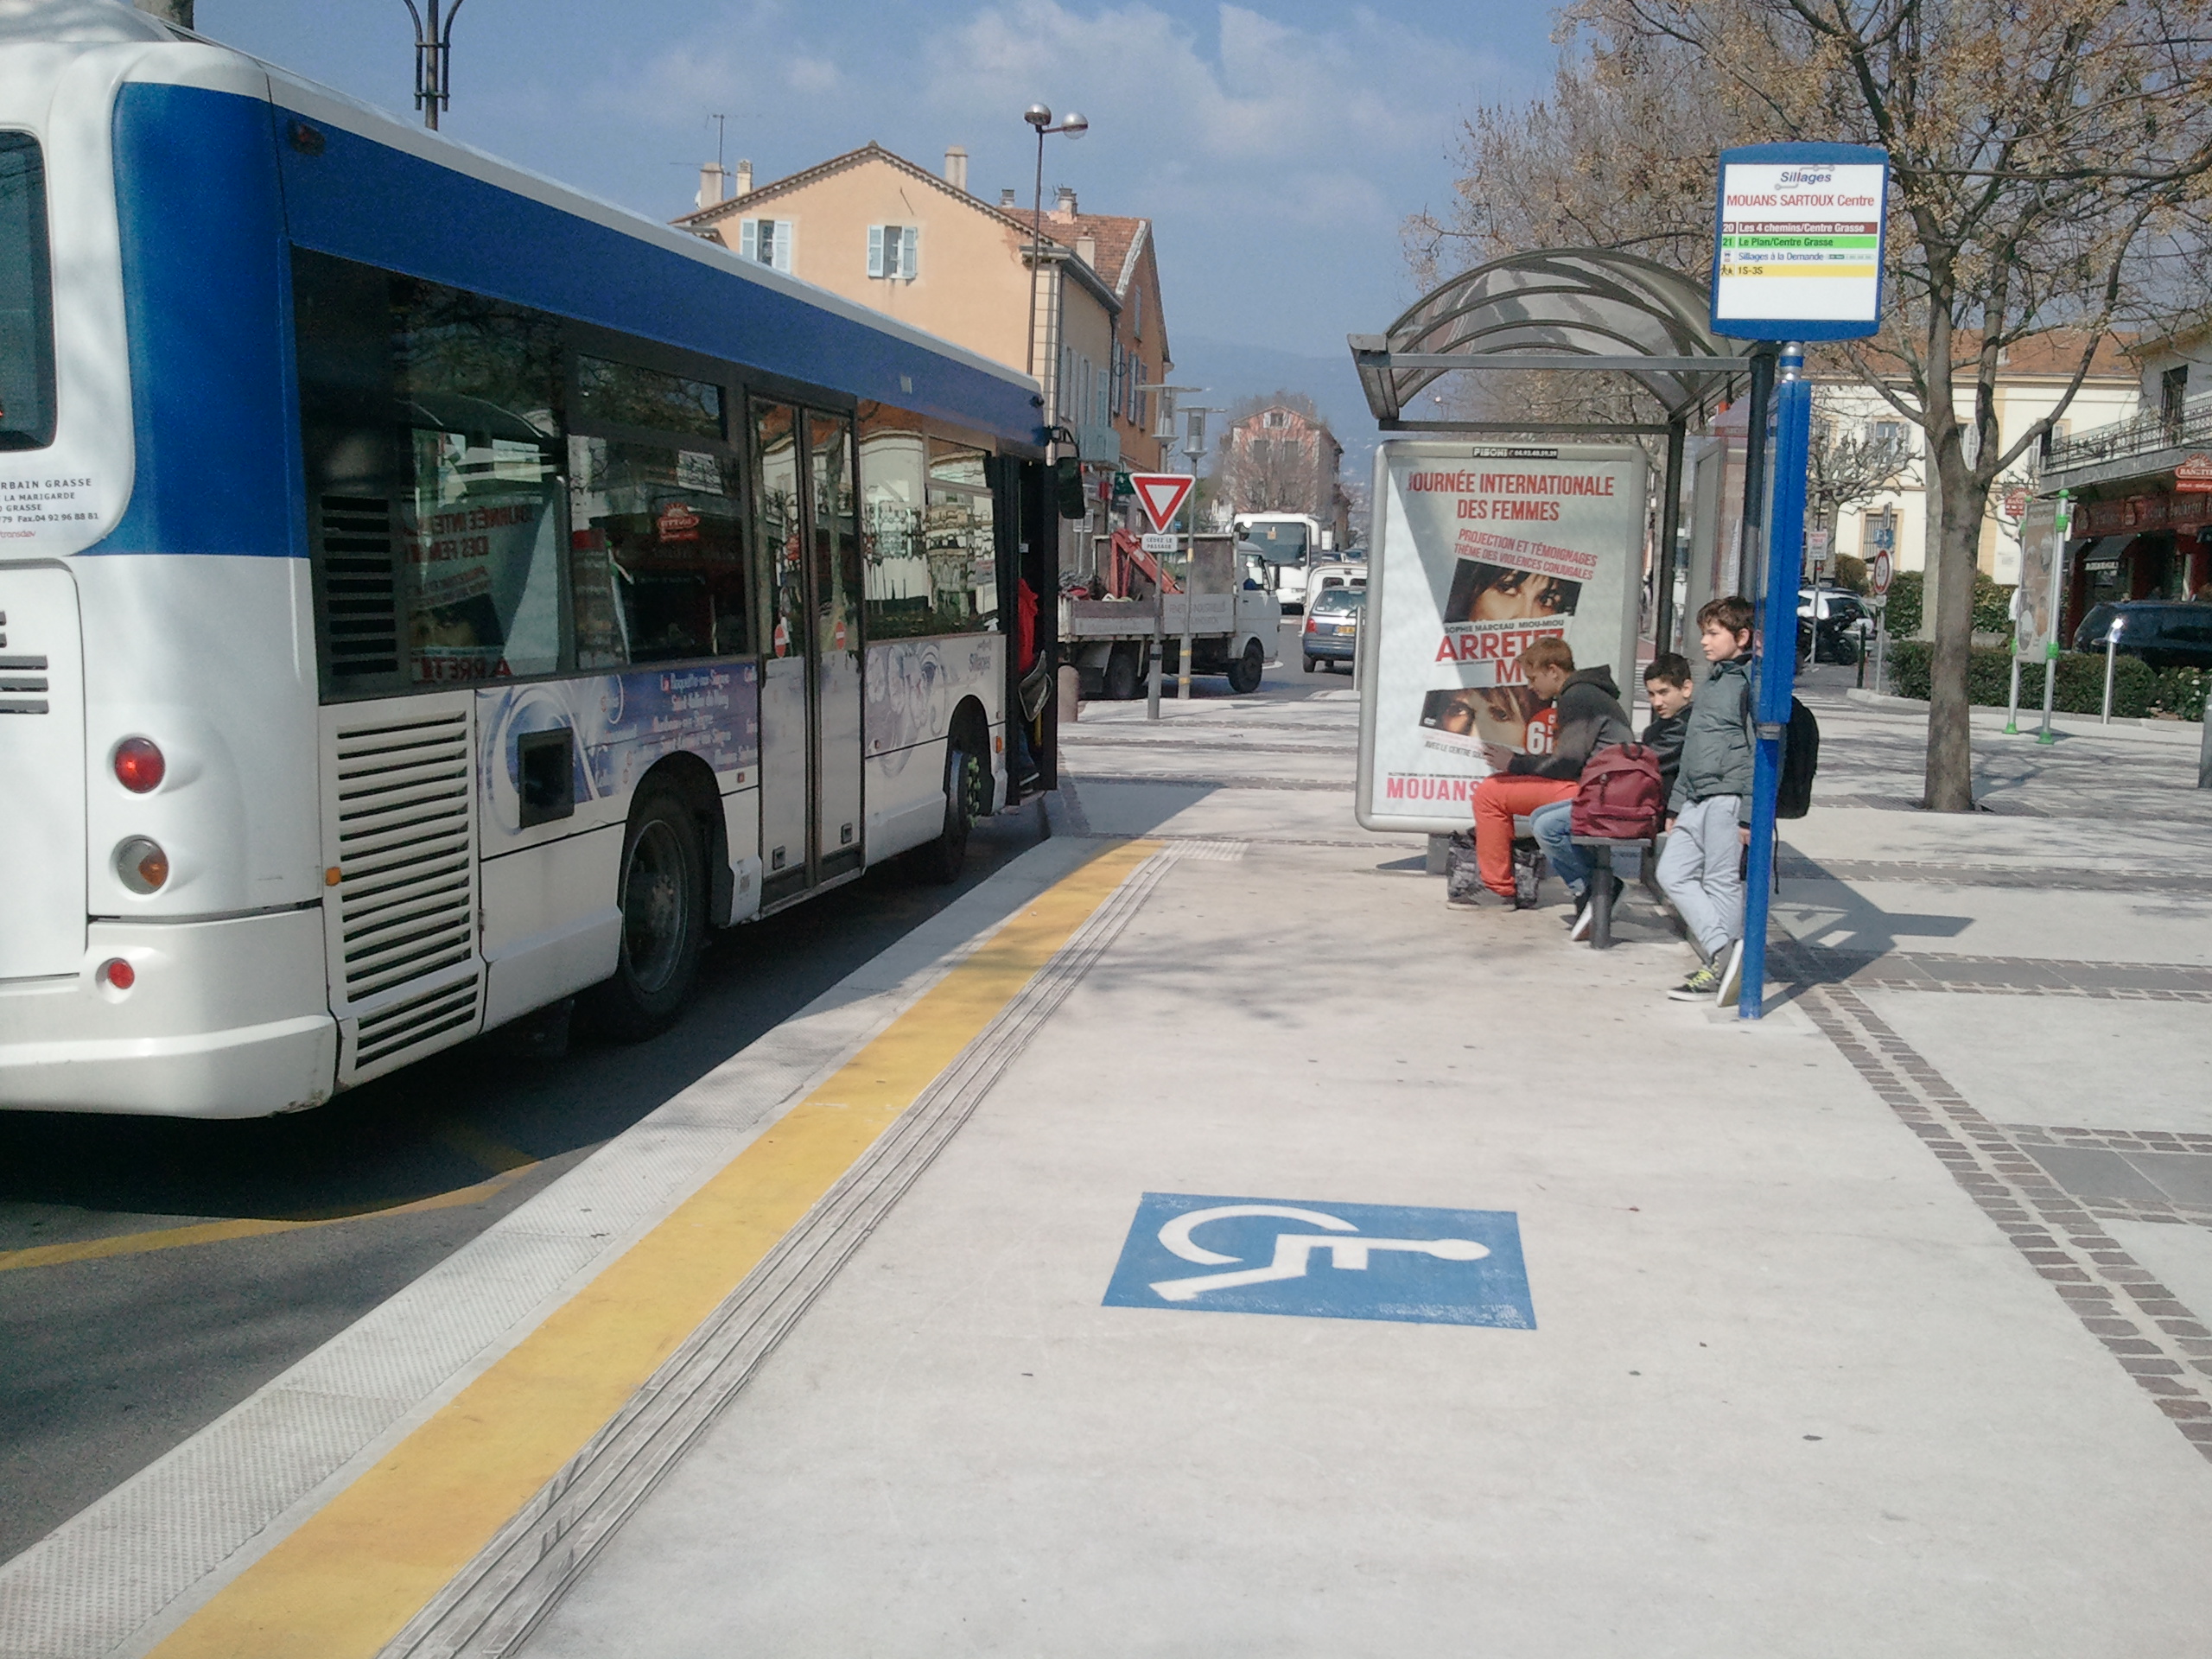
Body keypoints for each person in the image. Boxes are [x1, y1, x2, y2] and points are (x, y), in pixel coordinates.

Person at [1464, 637, 1633, 907]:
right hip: (1602, 785)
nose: (1531, 687)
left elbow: (1567, 763)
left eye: (1533, 678)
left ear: (1553, 670)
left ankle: (1500, 889)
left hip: (1596, 789)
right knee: (1496, 785)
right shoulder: (1585, 692)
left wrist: (1515, 763)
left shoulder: (1576, 696)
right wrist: (1517, 764)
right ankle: (1505, 882)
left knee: (1490, 793)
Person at [1657, 598, 1757, 1002]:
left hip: (1727, 798)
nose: (1704, 641)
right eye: (1704, 633)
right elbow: (1694, 747)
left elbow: (1760, 752)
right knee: (1671, 873)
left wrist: (1749, 815)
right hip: (1696, 799)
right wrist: (1676, 804)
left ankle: (1720, 967)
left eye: (1714, 633)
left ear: (1741, 637)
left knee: (1720, 882)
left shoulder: (1748, 684)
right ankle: (1723, 951)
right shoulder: (1714, 680)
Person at [1641, 652, 1694, 805]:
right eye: (1651, 694)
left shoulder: (1689, 726)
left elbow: (1648, 760)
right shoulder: (1655, 729)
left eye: (1664, 692)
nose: (1657, 702)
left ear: (1686, 688)